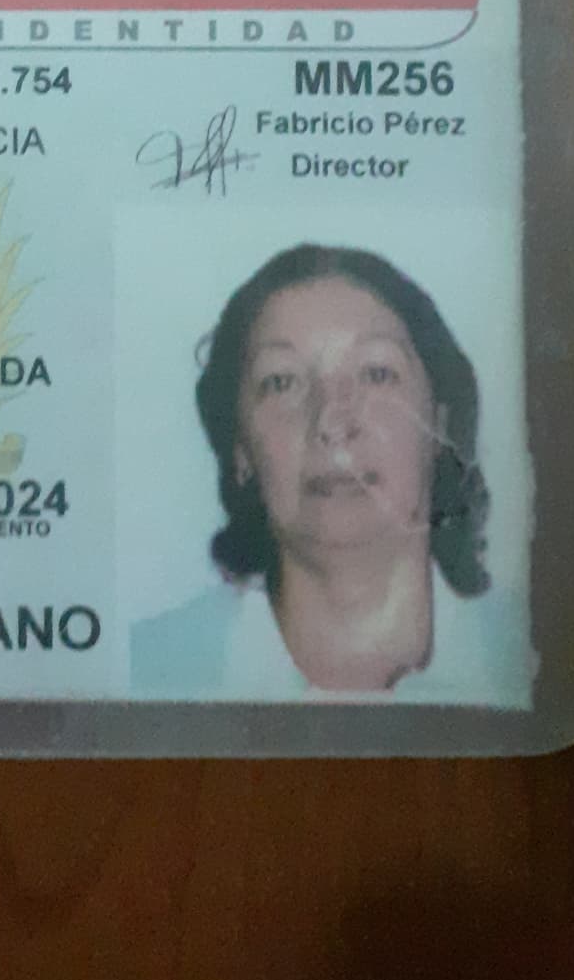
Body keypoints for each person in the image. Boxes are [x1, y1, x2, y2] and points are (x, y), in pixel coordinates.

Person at [131, 244, 523, 703]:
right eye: (282, 382)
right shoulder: (143, 667)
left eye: (376, 373)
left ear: (438, 424)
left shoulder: (534, 654)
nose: (332, 422)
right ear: (240, 448)